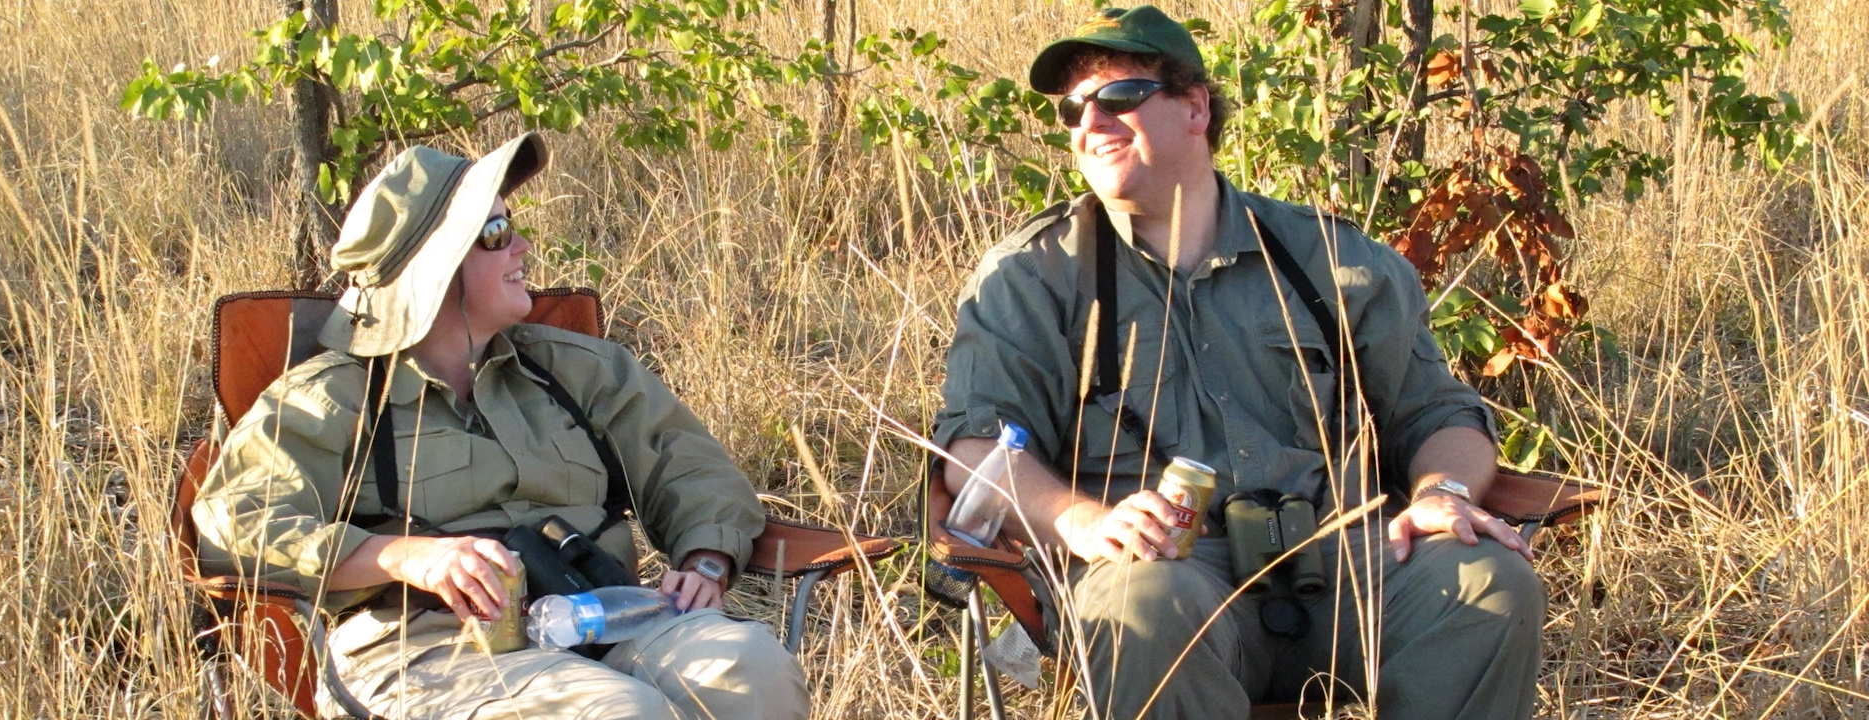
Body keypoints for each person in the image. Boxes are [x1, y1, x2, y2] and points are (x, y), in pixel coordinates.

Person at [932, 7, 1545, 719]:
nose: (1089, 123)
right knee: (1145, 601)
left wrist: (1448, 493)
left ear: (1195, 108)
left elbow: (1438, 412)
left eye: (1119, 97)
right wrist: (1082, 522)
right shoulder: (1032, 276)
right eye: (1072, 109)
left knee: (1490, 581)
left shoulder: (1332, 260)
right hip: (1171, 571)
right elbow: (976, 448)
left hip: (1345, 563)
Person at [194, 133, 808, 720]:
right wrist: (404, 557)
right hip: (426, 646)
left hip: (597, 611)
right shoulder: (327, 400)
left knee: (747, 666)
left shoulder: (576, 370)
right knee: (620, 712)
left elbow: (690, 465)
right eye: (495, 233)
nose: (522, 248)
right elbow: (235, 525)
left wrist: (706, 558)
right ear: (432, 269)